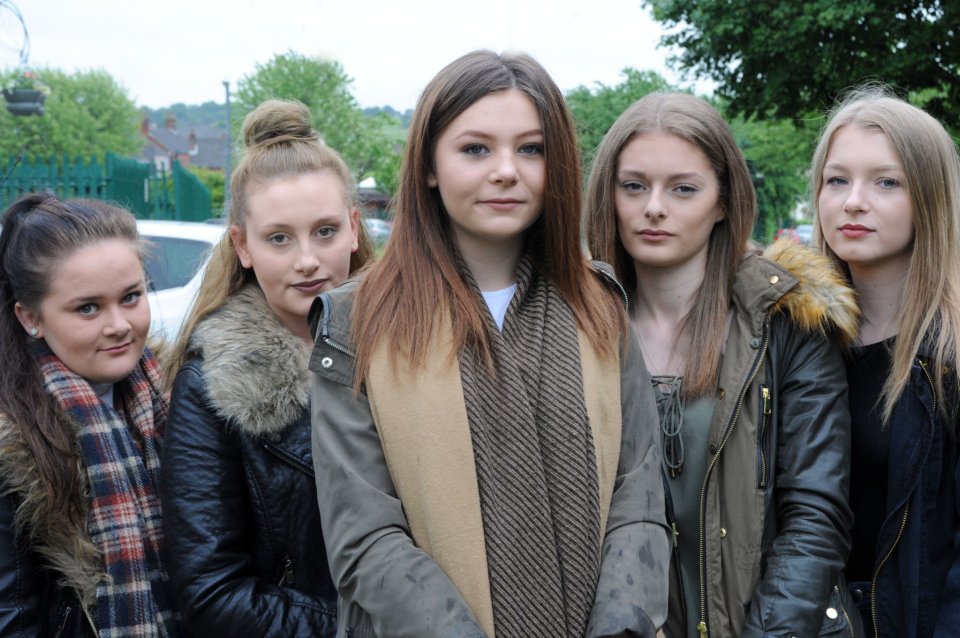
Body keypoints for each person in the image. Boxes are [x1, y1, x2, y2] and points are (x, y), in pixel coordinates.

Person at [309, 49, 670, 638]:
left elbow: (638, 495)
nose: (507, 170)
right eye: (476, 149)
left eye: (531, 149)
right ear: (428, 164)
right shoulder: (357, 320)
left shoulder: (599, 305)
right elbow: (364, 535)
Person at [585, 92, 860, 637]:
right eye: (634, 186)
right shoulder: (573, 325)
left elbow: (815, 515)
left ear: (723, 202)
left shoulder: (786, 322)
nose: (654, 207)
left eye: (683, 188)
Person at [159, 99, 373, 637]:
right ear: (243, 246)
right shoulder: (209, 387)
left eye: (325, 231)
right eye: (279, 237)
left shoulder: (414, 349)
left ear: (353, 228)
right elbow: (213, 594)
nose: (307, 259)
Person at [811, 87, 960, 638]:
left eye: (886, 182)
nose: (853, 201)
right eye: (837, 180)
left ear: (930, 198)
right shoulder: (789, 339)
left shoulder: (949, 357)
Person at [0, 193, 182, 637]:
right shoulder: (12, 446)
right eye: (88, 307)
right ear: (30, 318)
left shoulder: (178, 398)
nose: (119, 324)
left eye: (131, 297)